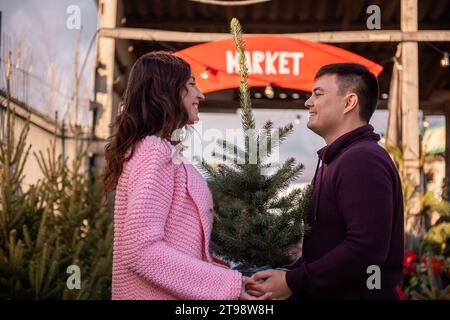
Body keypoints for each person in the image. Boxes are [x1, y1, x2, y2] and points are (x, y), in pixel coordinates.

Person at [104, 51, 269, 300]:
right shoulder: (154, 152)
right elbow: (141, 249)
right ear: (166, 90)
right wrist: (227, 285)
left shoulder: (160, 151)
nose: (200, 94)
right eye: (191, 84)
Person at [248, 63, 404, 299]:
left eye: (318, 94)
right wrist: (288, 274)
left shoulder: (362, 160)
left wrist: (292, 281)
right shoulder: (337, 159)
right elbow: (328, 246)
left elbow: (366, 250)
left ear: (349, 102)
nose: (308, 102)